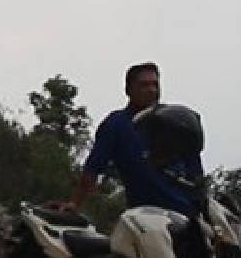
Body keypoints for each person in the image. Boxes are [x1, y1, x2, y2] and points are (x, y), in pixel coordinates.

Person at [72, 62, 201, 215]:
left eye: (155, 84)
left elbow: (196, 174)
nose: (151, 90)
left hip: (187, 214)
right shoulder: (116, 124)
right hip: (146, 216)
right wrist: (75, 204)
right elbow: (92, 168)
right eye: (144, 85)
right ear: (128, 90)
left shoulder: (176, 122)